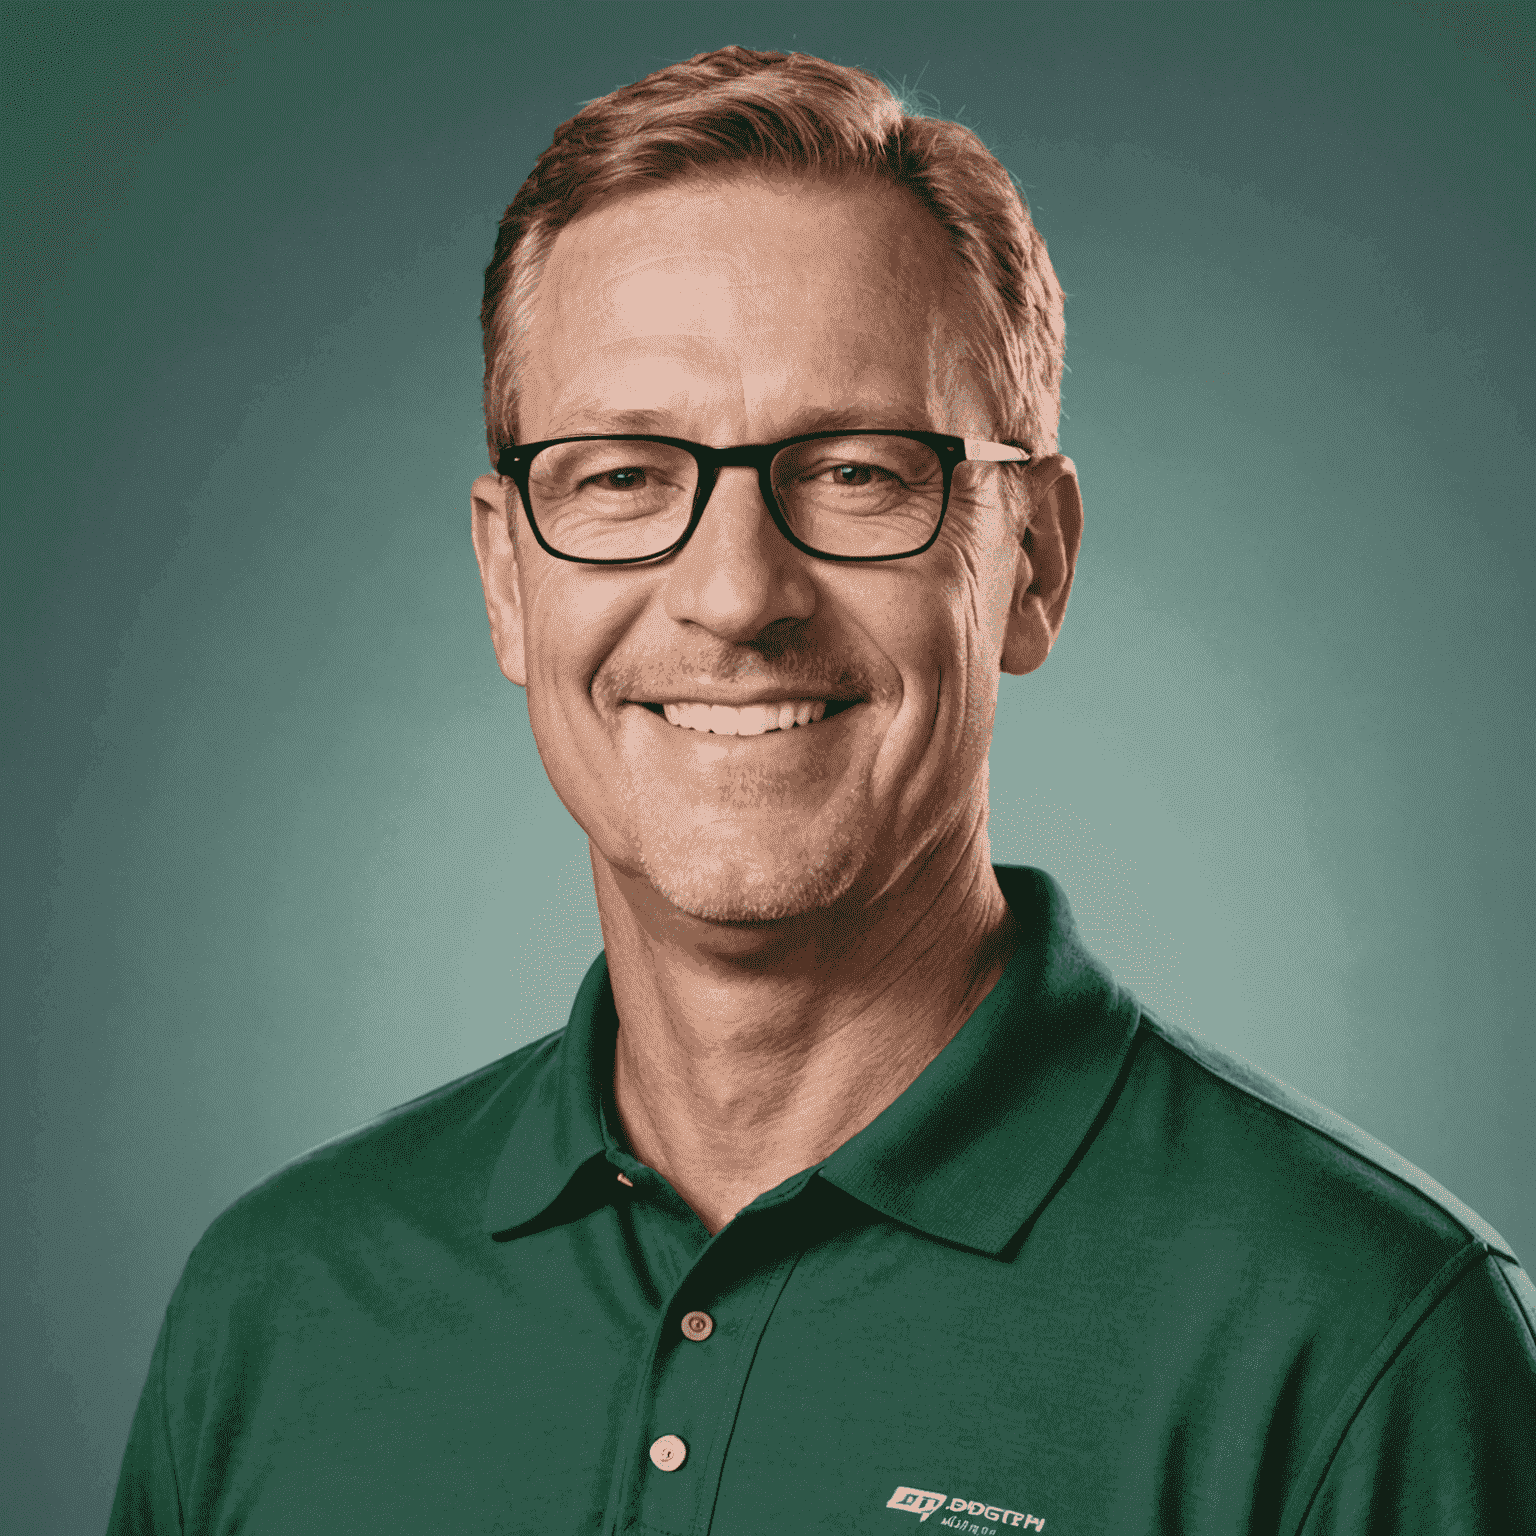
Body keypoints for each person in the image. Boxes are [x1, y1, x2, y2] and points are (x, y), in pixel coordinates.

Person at [108, 45, 1534, 1535]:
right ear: (506, 579)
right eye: (622, 477)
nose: (733, 595)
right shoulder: (274, 1310)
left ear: (1030, 565)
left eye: (857, 472)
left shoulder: (1369, 1342)